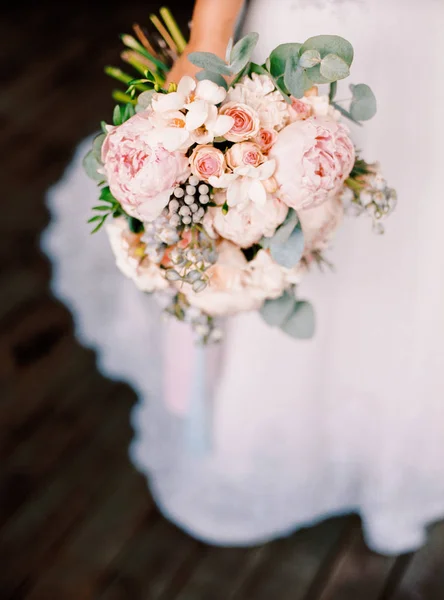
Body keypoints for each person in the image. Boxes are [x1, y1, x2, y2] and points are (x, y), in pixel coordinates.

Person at [42, 0, 444, 555]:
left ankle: (397, 443)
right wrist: (207, 42)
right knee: (258, 226)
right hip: (308, 29)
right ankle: (259, 432)